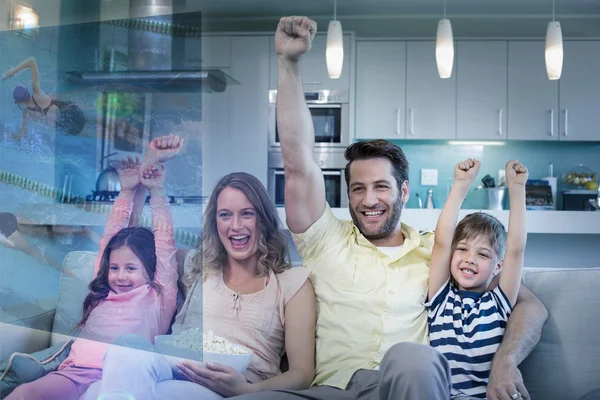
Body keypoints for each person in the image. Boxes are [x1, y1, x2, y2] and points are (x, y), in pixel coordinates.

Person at [231, 15, 548, 400]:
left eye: (381, 187)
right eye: (358, 189)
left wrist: (505, 360)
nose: (368, 200)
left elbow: (528, 303)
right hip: (333, 390)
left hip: (406, 384)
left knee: (415, 358)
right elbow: (298, 162)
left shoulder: (441, 252)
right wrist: (288, 62)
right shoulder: (325, 241)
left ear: (404, 191)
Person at [83, 172, 316, 400]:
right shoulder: (198, 268)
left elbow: (302, 374)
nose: (235, 226)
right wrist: (148, 188)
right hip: (170, 368)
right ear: (215, 223)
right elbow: (128, 246)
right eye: (225, 215)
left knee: (98, 393)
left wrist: (246, 390)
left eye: (247, 214)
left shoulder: (292, 284)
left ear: (263, 219)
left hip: (233, 386)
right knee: (127, 347)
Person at [6, 155, 178, 400]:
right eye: (115, 268)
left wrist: (157, 191)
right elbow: (110, 236)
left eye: (131, 269)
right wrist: (126, 191)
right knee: (23, 394)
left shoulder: (158, 295)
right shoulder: (103, 293)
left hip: (119, 377)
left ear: (150, 270)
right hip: (75, 373)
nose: (120, 276)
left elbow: (165, 240)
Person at [426, 159, 529, 399]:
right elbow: (442, 240)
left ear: (498, 267)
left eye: (483, 254)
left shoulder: (499, 303)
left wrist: (517, 189)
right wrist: (461, 185)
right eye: (462, 249)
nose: (470, 259)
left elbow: (516, 250)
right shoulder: (441, 298)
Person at [2, 56, 85, 138]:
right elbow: (31, 60)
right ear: (27, 91)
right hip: (63, 112)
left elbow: (22, 135)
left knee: (74, 129)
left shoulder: (26, 113)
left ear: (19, 102)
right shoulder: (37, 92)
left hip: (58, 124)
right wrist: (13, 71)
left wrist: (9, 135)